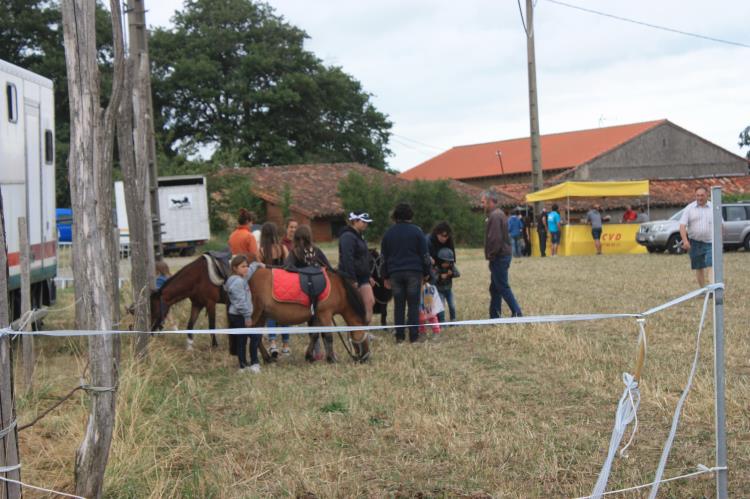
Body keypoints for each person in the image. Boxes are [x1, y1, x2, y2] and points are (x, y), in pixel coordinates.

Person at [380, 202, 431, 343]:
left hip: (395, 273)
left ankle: (399, 336)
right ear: (410, 215)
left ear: (395, 216)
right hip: (414, 272)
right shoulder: (417, 231)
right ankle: (414, 336)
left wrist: (384, 276)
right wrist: (427, 272)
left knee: (399, 305)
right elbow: (425, 255)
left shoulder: (388, 233)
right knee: (413, 304)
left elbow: (383, 257)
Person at [482, 189, 522, 318]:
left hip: (499, 257)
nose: (482, 205)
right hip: (502, 256)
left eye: (483, 202)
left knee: (502, 287)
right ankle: (495, 316)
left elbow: (495, 239)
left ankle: (517, 313)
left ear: (490, 201)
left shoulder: (495, 216)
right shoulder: (498, 214)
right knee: (495, 288)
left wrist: (491, 255)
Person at [225, 254, 263, 373]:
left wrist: (256, 264)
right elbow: (240, 303)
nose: (246, 268)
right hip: (239, 316)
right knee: (254, 337)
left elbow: (250, 271)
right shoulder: (238, 283)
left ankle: (243, 365)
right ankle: (254, 363)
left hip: (237, 315)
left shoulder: (240, 278)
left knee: (241, 340)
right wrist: (247, 316)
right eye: (243, 266)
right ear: (235, 268)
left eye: (246, 266)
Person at [258, 222, 290, 356]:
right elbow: (288, 266)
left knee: (271, 314)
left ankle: (272, 344)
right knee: (285, 315)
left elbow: (260, 269)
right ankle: (286, 345)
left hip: (269, 286)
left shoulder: (261, 251)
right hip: (283, 284)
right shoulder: (283, 248)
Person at [338, 212, 375, 324]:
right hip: (352, 278)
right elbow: (347, 259)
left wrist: (369, 276)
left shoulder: (359, 237)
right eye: (363, 222)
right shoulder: (347, 237)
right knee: (357, 306)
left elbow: (363, 258)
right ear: (354, 221)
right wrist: (352, 279)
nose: (366, 225)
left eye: (367, 222)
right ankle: (358, 332)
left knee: (369, 301)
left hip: (363, 277)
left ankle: (364, 331)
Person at [679, 186, 716, 288]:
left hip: (710, 242)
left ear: (707, 195)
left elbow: (720, 224)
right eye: (697, 195)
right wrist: (685, 241)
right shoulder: (689, 208)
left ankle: (712, 289)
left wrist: (719, 240)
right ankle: (703, 290)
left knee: (710, 265)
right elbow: (682, 225)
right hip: (694, 242)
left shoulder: (713, 207)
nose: (700, 198)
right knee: (699, 267)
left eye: (702, 195)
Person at [434, 247, 459, 324]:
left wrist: (452, 274)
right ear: (440, 261)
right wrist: (440, 277)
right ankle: (442, 322)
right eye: (445, 262)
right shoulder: (436, 268)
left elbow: (458, 274)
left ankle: (453, 319)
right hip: (439, 291)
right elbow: (433, 278)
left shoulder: (451, 267)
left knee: (452, 305)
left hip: (448, 290)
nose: (447, 264)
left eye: (449, 262)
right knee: (441, 308)